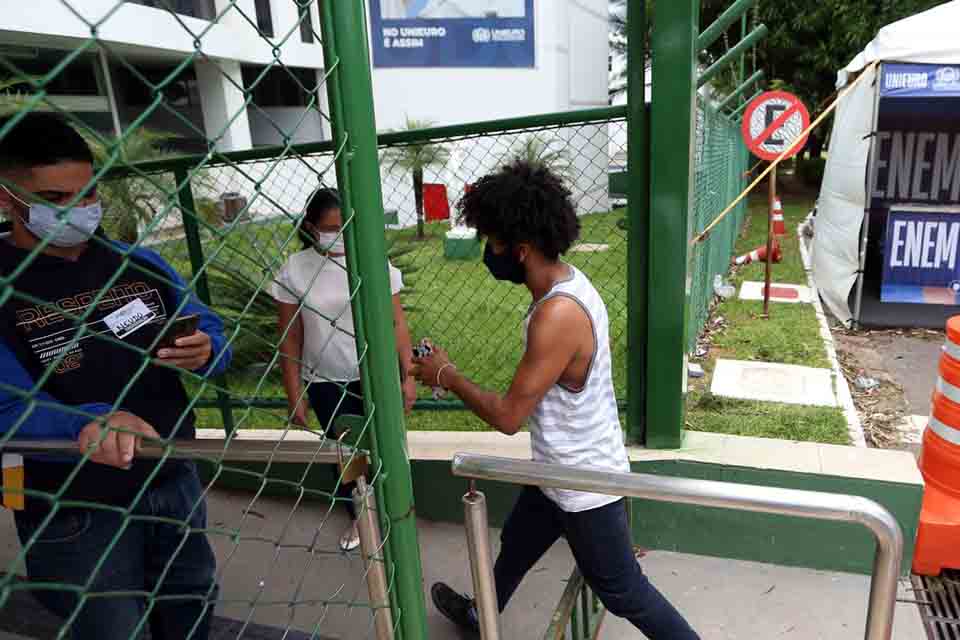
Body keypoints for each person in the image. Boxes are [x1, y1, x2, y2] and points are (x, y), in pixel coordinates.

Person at [413, 160, 700, 638]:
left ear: (522, 251)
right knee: (517, 543)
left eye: (495, 242)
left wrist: (449, 375)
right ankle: (480, 613)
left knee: (624, 590)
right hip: (554, 466)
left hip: (582, 481)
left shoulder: (557, 316)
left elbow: (508, 416)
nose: (490, 251)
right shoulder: (565, 280)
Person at [0, 113, 232, 639]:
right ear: (5, 200)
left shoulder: (140, 263)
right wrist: (88, 423)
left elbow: (210, 326)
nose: (79, 211)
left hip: (172, 476)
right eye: (56, 200)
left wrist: (208, 348)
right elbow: (6, 408)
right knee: (110, 626)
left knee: (190, 604)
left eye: (86, 195)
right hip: (75, 502)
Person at [272, 186, 416, 552]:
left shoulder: (372, 260)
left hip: (376, 375)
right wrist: (294, 392)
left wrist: (408, 374)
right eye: (330, 227)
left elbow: (397, 323)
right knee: (349, 453)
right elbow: (290, 337)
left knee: (386, 446)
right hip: (325, 380)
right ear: (310, 226)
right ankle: (359, 518)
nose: (339, 235)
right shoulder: (295, 269)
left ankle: (394, 514)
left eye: (345, 226)